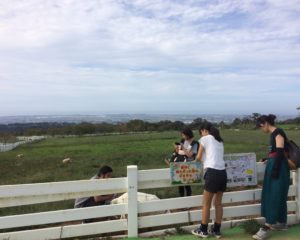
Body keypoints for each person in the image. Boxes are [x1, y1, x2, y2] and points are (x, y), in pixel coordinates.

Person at [253, 114, 290, 240]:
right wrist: (268, 159)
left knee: (274, 195)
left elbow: (280, 151)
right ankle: (281, 223)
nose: (260, 129)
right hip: (276, 165)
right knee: (277, 194)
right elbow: (276, 152)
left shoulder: (277, 132)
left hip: (279, 168)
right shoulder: (273, 134)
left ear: (265, 123)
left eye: (260, 126)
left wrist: (275, 168)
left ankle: (267, 227)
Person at [192, 122, 226, 238]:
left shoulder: (205, 138)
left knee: (206, 204)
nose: (201, 134)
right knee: (218, 203)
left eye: (201, 132)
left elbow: (199, 157)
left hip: (212, 173)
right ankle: (216, 230)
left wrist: (195, 160)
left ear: (204, 131)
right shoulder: (219, 141)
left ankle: (203, 230)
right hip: (223, 173)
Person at [166, 128, 199, 197]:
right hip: (180, 163)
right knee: (180, 184)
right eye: (182, 135)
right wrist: (176, 148)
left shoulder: (195, 143)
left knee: (187, 183)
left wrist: (183, 147)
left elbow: (189, 155)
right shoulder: (183, 140)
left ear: (188, 134)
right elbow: (179, 152)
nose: (183, 137)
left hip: (188, 165)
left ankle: (188, 201)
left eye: (184, 135)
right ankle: (182, 200)